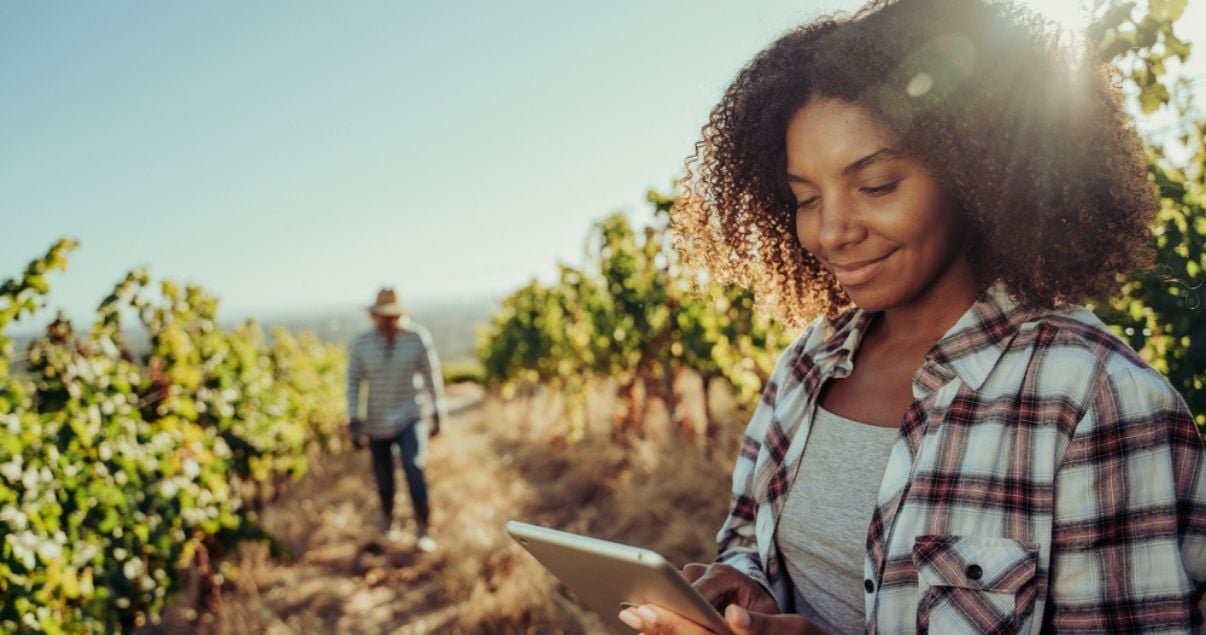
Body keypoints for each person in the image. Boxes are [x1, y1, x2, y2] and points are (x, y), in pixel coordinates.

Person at [618, 0, 1206, 632]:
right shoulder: (809, 363)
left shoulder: (1098, 401)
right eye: (806, 198)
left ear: (976, 173)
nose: (831, 232)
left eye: (876, 187)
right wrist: (746, 585)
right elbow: (746, 536)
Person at [347, 288, 447, 551]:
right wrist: (354, 420)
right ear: (374, 317)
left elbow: (431, 376)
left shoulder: (416, 338)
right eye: (383, 316)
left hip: (409, 415)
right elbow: (353, 383)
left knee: (415, 466)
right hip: (377, 420)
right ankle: (389, 522)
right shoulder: (361, 344)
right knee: (384, 476)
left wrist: (438, 411)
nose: (388, 322)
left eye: (393, 316)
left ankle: (424, 528)